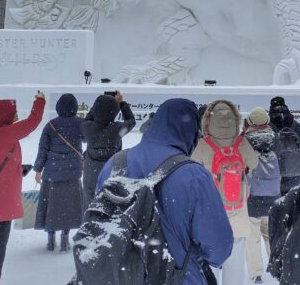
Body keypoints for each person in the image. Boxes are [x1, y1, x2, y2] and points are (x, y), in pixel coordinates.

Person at [95, 98, 233, 285]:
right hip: (179, 277)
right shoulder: (194, 175)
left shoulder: (115, 164)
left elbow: (97, 220)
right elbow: (219, 246)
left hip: (120, 276)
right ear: (190, 131)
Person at [0, 92, 46, 285]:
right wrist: (40, 100)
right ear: (6, 117)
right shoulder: (5, 133)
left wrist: (17, 169)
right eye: (13, 113)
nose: (16, 116)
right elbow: (32, 121)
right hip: (0, 204)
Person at [193, 99, 259, 285]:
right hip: (238, 210)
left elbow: (191, 169)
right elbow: (254, 163)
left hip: (211, 214)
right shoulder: (242, 143)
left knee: (211, 263)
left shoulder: (203, 145)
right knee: (235, 262)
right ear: (235, 120)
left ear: (208, 121)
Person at [33, 93, 84, 253]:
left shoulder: (50, 125)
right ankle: (64, 239)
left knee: (52, 206)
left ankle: (50, 239)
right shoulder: (80, 124)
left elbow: (43, 150)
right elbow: (87, 138)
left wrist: (38, 169)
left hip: (52, 173)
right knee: (69, 206)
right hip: (72, 173)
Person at [80, 91, 135, 213]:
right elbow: (131, 121)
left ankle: (88, 224)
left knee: (89, 201)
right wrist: (121, 103)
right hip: (111, 170)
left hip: (91, 173)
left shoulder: (87, 127)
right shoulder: (117, 129)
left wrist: (98, 105)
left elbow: (88, 118)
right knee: (111, 201)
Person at [243, 107, 280, 285]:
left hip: (252, 197)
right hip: (273, 195)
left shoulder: (245, 141)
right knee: (270, 234)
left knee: (253, 237)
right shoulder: (275, 138)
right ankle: (277, 268)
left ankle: (256, 274)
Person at [269, 96, 300, 193]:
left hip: (276, 176)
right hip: (296, 175)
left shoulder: (268, 126)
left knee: (277, 206)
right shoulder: (295, 125)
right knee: (296, 204)